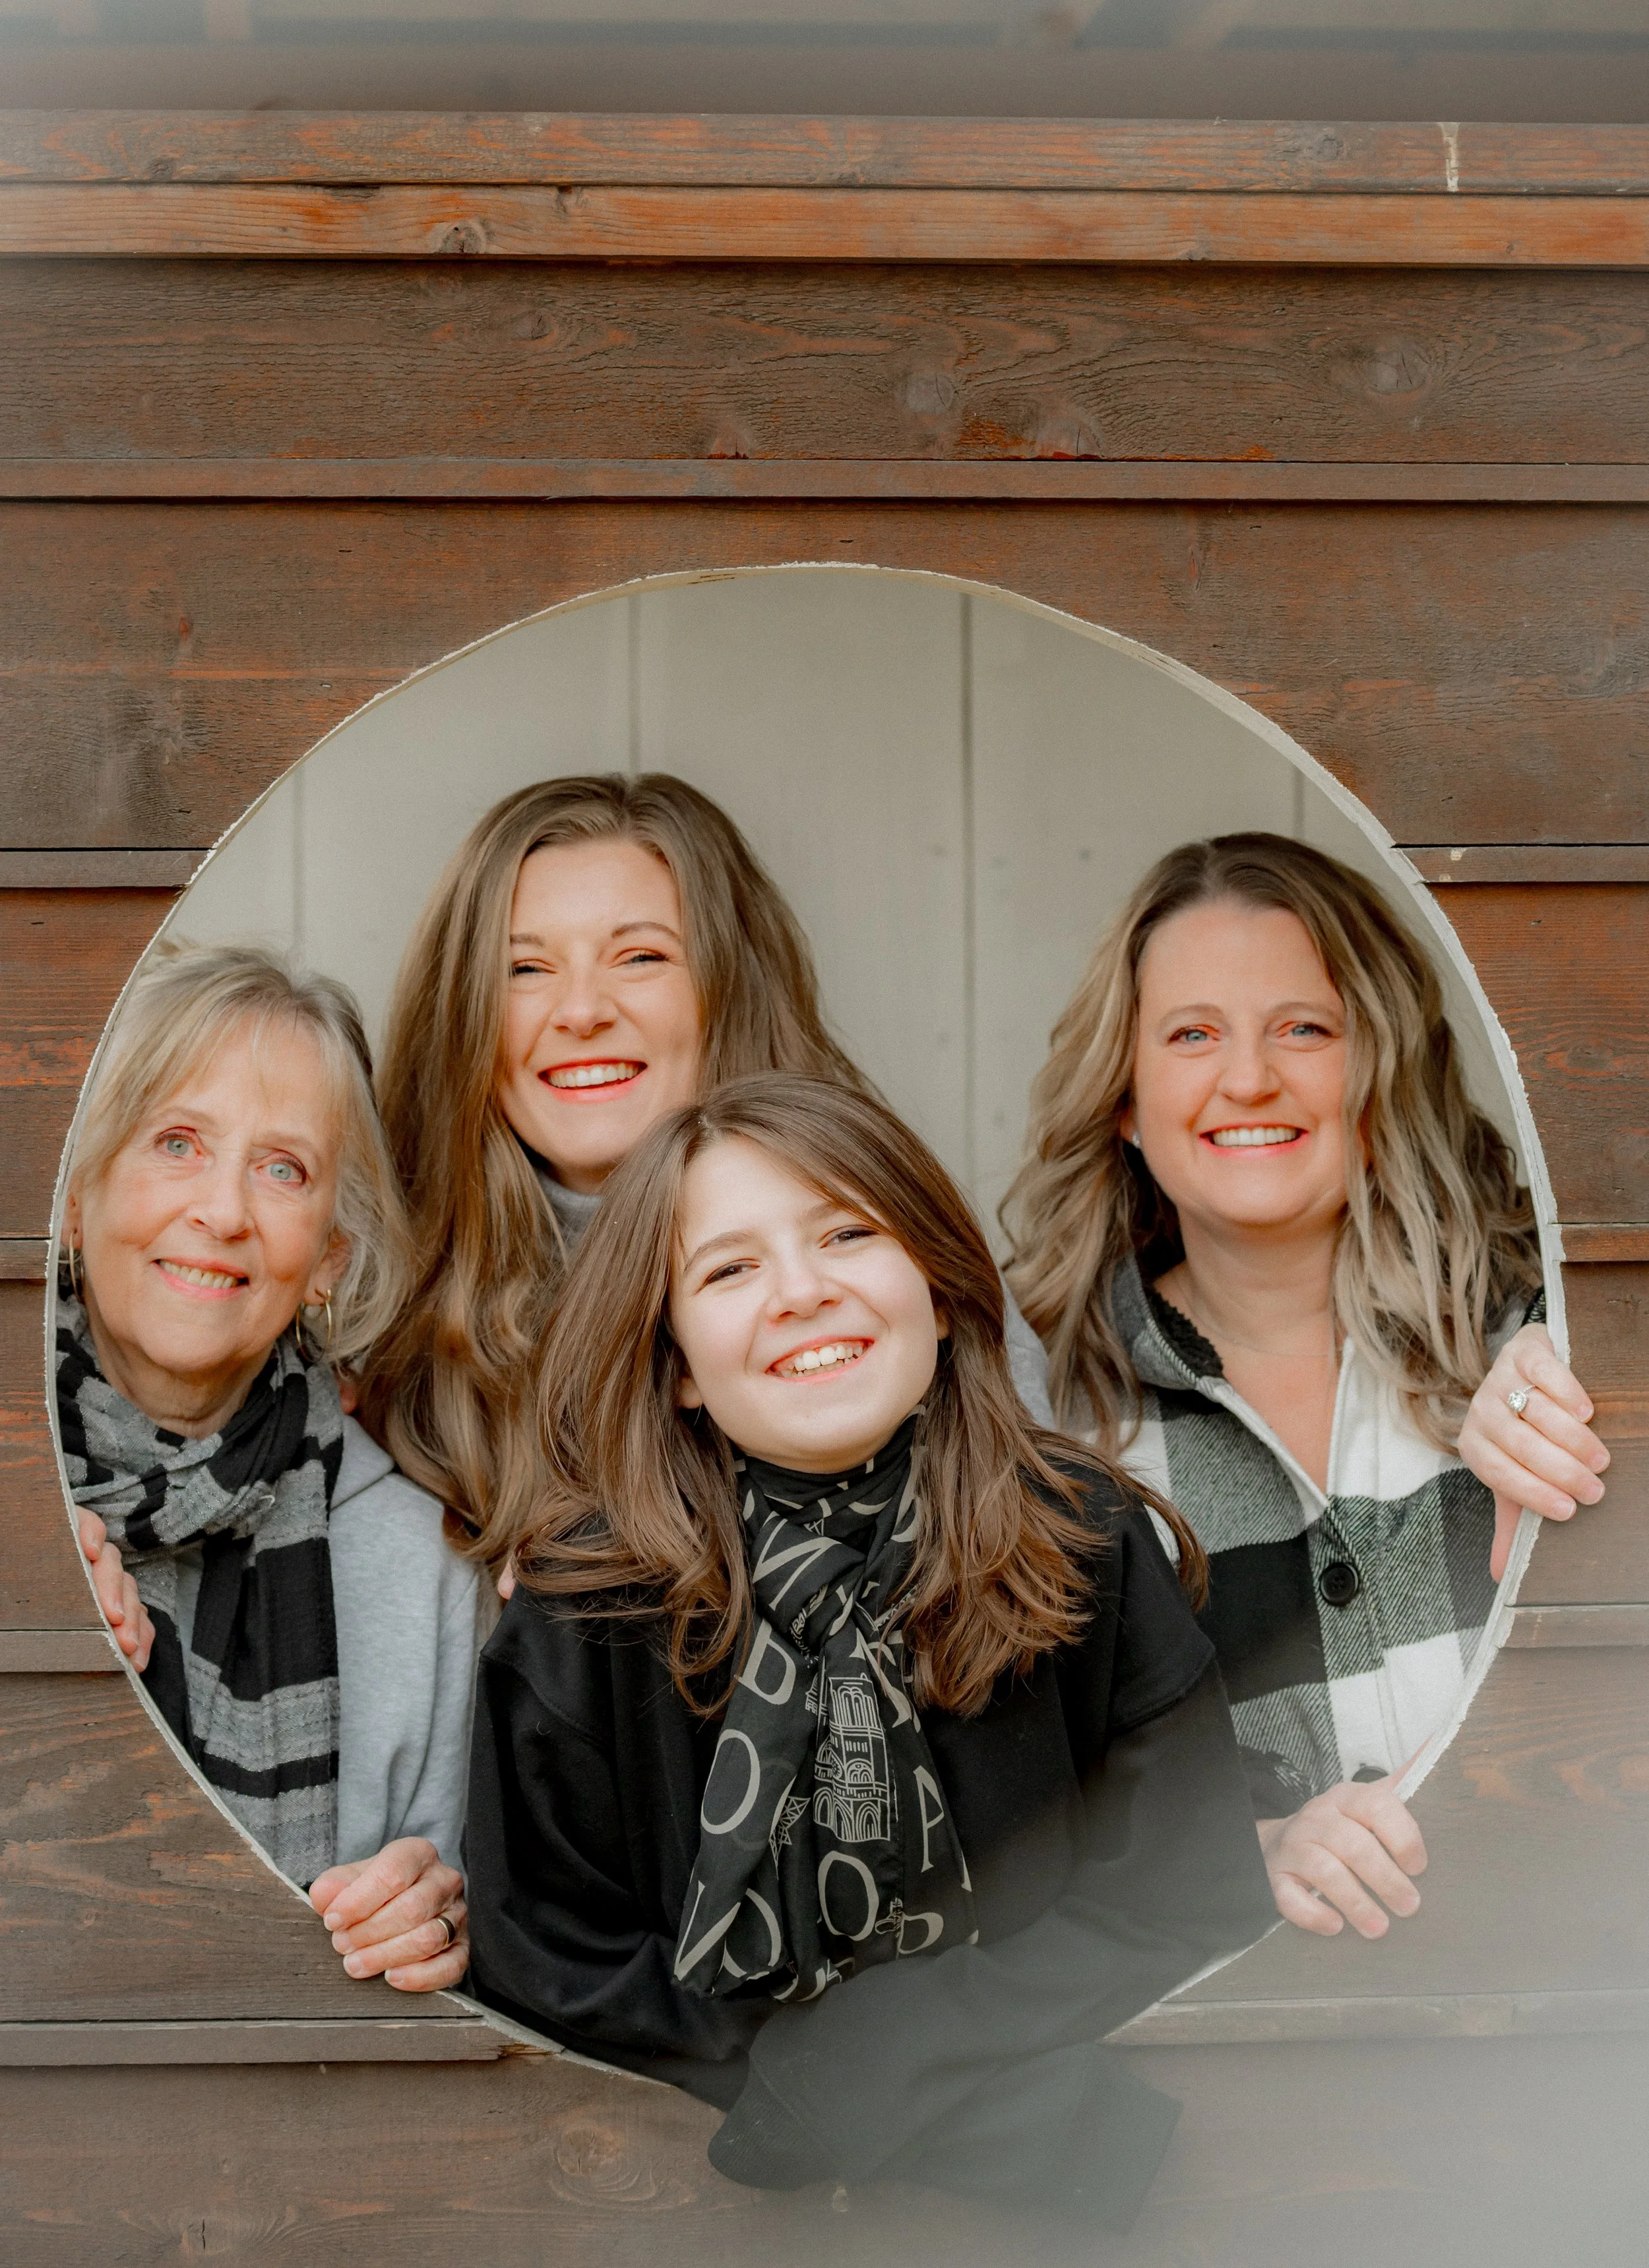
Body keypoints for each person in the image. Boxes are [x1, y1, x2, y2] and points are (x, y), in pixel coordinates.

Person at [464, 1075, 1274, 2223]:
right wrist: (815, 2073)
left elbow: (1185, 1895)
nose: (803, 1289)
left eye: (847, 1233)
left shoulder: (1084, 1539)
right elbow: (544, 1953)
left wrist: (905, 2044)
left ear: (938, 1294)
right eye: (728, 1269)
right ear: (678, 1362)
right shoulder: (585, 1606)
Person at [1003, 833, 1605, 1945]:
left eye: (1305, 1029)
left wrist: (1572, 1373)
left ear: (1382, 1070)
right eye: (1193, 1034)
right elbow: (1030, 1804)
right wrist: (1245, 1849)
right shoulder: (1048, 1420)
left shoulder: (1538, 1329)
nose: (1248, 1079)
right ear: (1126, 1095)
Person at [360, 774, 1052, 1583]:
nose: (581, 1011)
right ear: (463, 1011)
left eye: (640, 957)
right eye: (525, 969)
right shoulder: (384, 1307)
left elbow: (1038, 1568)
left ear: (728, 989)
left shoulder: (887, 1258)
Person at [57, 943, 480, 1992]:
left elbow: (446, 1928)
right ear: (74, 1197)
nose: (224, 1210)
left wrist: (430, 1920)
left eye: (283, 1167)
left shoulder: (416, 1558)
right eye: (177, 1142)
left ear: (329, 1257)